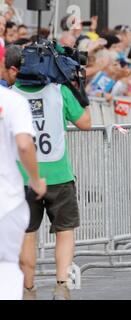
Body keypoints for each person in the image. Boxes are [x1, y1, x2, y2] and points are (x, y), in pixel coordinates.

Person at [14, 59, 92, 300]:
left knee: (27, 233)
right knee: (65, 231)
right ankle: (61, 285)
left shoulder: (10, 94)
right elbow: (85, 123)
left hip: (23, 176)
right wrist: (80, 90)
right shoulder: (61, 91)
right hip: (59, 174)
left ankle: (28, 288)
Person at [0, 85, 47, 300]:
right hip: (6, 199)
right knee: (7, 266)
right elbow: (25, 145)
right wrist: (36, 180)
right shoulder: (13, 101)